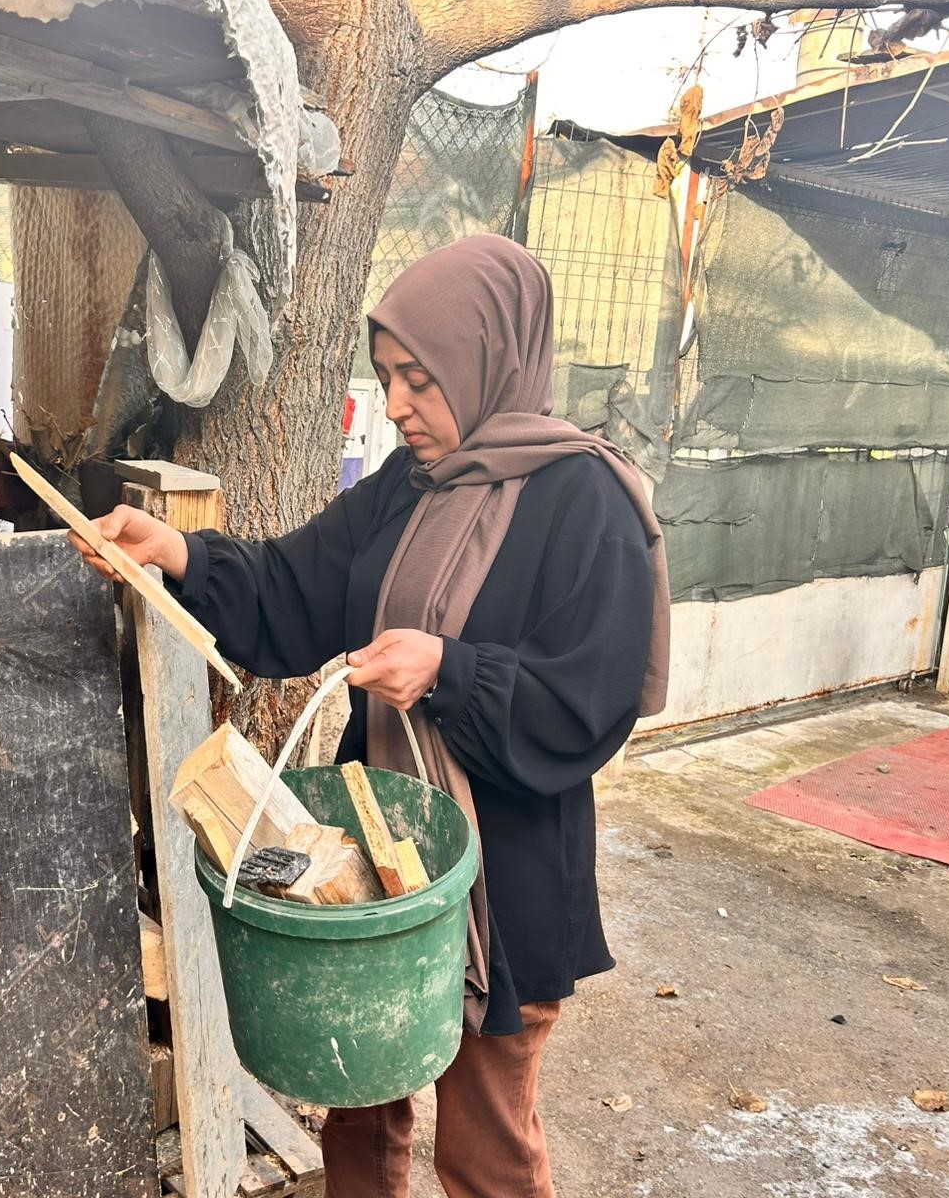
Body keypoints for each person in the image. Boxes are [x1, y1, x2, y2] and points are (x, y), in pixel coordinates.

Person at [70, 235, 670, 1198]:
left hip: (506, 878)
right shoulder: (409, 486)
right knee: (357, 1101)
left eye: (420, 380)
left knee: (485, 1148)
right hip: (379, 847)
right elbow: (294, 585)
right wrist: (176, 551)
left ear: (488, 361)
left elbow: (587, 700)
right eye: (388, 377)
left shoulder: (583, 499)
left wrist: (449, 673)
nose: (395, 405)